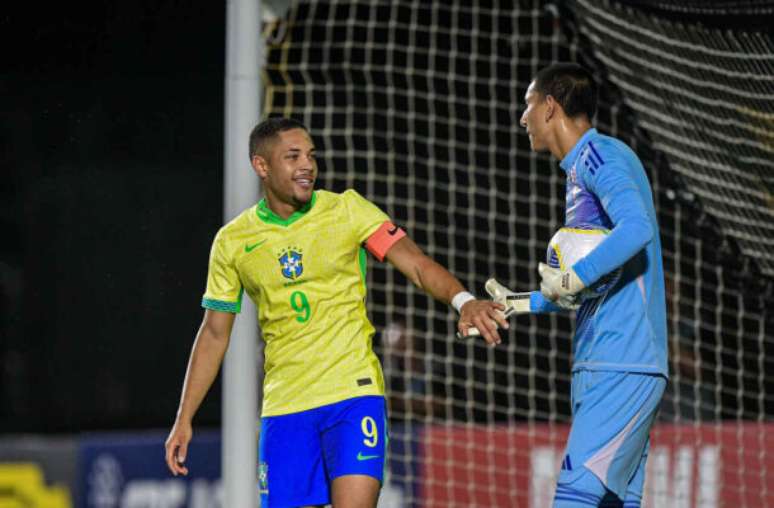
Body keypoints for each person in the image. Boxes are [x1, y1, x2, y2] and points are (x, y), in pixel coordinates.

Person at [163, 117, 506, 508]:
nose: (307, 165)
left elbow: (417, 264)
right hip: (285, 409)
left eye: (310, 155)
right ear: (262, 166)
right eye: (293, 157)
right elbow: (214, 333)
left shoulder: (347, 210)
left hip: (353, 394)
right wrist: (184, 416)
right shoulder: (232, 241)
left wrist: (464, 300)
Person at [500, 63, 668, 507]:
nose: (523, 118)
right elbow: (588, 286)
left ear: (550, 106)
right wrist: (519, 304)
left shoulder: (601, 156)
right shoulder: (578, 172)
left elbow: (637, 230)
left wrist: (573, 276)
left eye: (528, 105)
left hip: (623, 360)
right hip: (604, 363)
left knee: (572, 499)